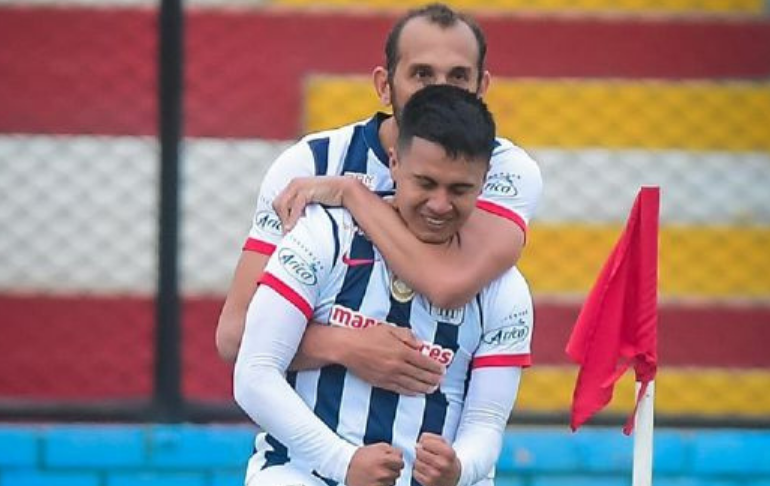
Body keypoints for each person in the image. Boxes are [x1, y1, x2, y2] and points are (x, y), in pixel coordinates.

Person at [216, 2, 542, 397]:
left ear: (482, 88)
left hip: (440, 448)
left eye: (458, 76)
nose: (439, 90)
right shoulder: (314, 160)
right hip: (313, 447)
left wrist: (350, 194)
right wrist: (346, 346)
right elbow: (235, 334)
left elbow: (448, 283)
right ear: (385, 85)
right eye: (421, 74)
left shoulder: (506, 169)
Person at [234, 84, 534, 486]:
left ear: (483, 183)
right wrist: (343, 462)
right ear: (393, 163)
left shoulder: (504, 290)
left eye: (459, 189)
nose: (440, 204)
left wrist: (459, 468)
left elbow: (486, 422)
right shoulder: (321, 237)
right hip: (305, 475)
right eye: (425, 183)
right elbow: (254, 373)